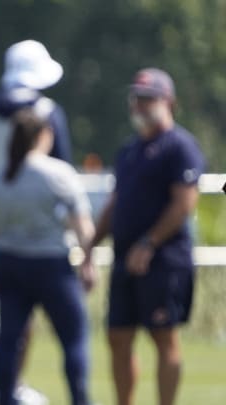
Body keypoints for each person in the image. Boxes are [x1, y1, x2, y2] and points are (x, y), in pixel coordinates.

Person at [82, 68, 206, 405]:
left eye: (148, 98)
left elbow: (184, 204)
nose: (140, 105)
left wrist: (149, 243)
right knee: (118, 337)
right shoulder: (129, 150)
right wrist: (91, 248)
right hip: (125, 255)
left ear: (168, 101)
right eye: (136, 98)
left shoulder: (180, 146)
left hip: (164, 258)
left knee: (163, 337)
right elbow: (117, 202)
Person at [0, 39, 73, 403]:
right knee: (44, 326)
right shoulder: (48, 111)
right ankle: (8, 386)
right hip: (39, 237)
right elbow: (63, 173)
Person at [0, 108, 96, 405]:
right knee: (74, 336)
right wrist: (88, 260)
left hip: (9, 263)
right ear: (43, 136)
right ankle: (80, 398)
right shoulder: (58, 174)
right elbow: (82, 224)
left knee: (9, 338)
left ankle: (5, 397)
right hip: (51, 264)